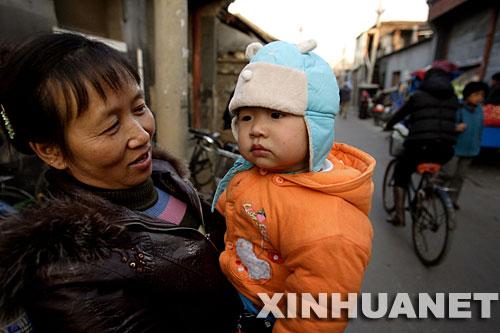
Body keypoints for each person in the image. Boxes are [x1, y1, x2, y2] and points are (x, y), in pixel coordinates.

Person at [0, 33, 239, 332]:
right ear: (52, 151)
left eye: (139, 108)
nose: (142, 134)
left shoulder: (166, 176)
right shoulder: (72, 277)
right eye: (111, 126)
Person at [212, 40, 375, 332]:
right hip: (234, 292)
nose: (257, 129)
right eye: (246, 117)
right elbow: (230, 209)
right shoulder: (253, 172)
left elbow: (318, 312)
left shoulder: (329, 222)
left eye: (276, 115)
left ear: (315, 125)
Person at [384, 67, 460, 226]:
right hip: (446, 149)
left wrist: (388, 125)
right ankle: (425, 194)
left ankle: (399, 216)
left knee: (401, 172)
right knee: (432, 174)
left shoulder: (418, 96)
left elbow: (400, 115)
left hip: (419, 147)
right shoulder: (453, 98)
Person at [442, 81, 489, 209]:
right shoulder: (459, 109)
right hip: (455, 148)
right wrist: (455, 128)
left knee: (460, 177)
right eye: (476, 94)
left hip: (470, 149)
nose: (479, 98)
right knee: (448, 173)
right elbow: (447, 125)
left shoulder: (480, 110)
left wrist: (478, 145)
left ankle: (452, 200)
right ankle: (435, 191)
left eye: (482, 95)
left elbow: (480, 128)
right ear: (468, 95)